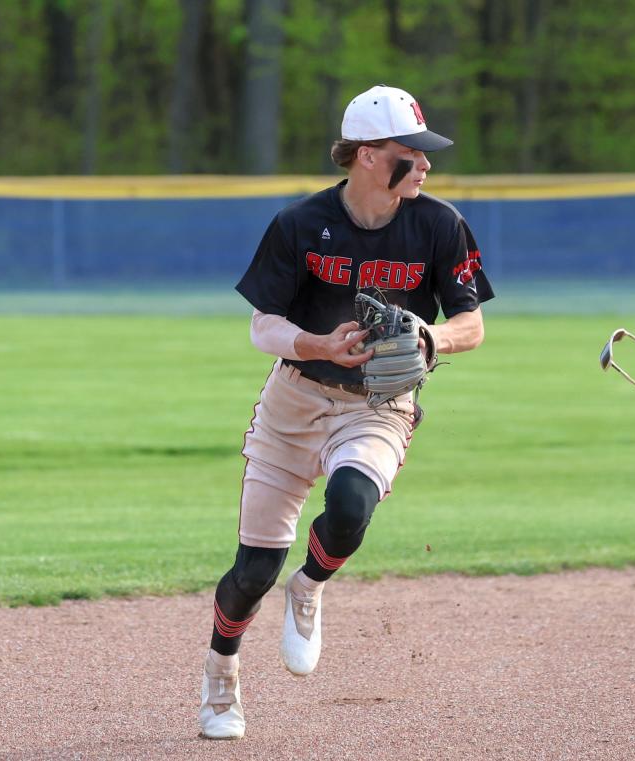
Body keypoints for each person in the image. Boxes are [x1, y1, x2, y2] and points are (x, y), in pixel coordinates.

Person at [198, 84, 495, 740]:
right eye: (408, 152)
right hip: (294, 399)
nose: (423, 163)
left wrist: (430, 336)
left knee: (353, 506)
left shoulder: (440, 224)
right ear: (364, 155)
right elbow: (262, 326)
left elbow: (472, 324)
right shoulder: (300, 225)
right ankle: (221, 671)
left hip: (379, 403)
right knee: (251, 572)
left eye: (425, 152)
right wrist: (317, 343)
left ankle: (310, 585)